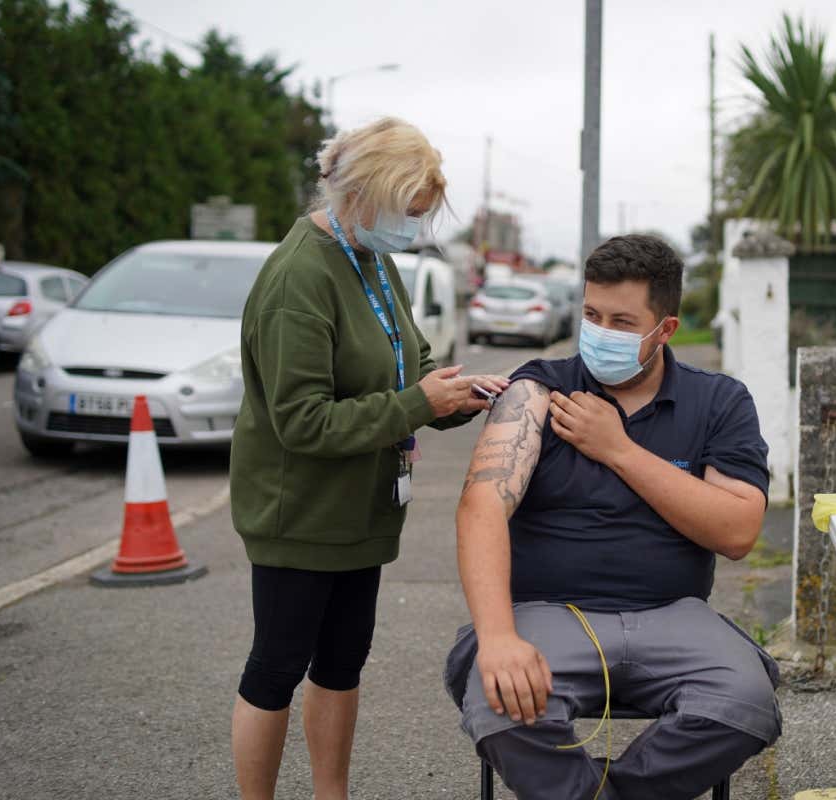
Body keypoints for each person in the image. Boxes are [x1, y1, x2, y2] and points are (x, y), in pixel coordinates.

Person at [229, 117, 508, 800]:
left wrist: (458, 395)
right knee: (276, 669)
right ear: (360, 195)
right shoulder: (300, 276)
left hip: (361, 516)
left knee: (342, 666)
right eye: (405, 212)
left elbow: (410, 363)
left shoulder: (373, 261)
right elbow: (301, 421)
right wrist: (419, 404)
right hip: (300, 516)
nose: (410, 229)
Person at [445, 234, 782, 800]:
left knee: (746, 704)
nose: (601, 333)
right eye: (591, 315)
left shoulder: (719, 402)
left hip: (673, 616)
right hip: (546, 614)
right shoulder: (538, 390)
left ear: (665, 329)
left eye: (623, 322)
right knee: (499, 701)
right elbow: (480, 509)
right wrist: (498, 637)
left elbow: (738, 532)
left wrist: (619, 449)